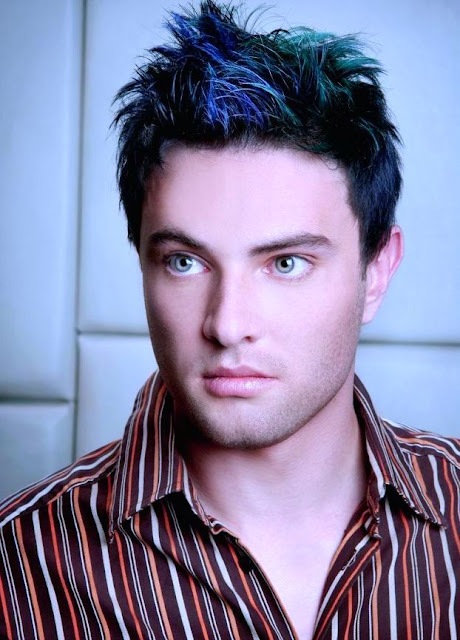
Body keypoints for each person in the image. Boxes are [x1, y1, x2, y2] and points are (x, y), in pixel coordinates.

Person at [1, 1, 458, 638]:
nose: (227, 324)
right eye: (185, 262)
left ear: (376, 272)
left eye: (286, 264)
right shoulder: (19, 562)